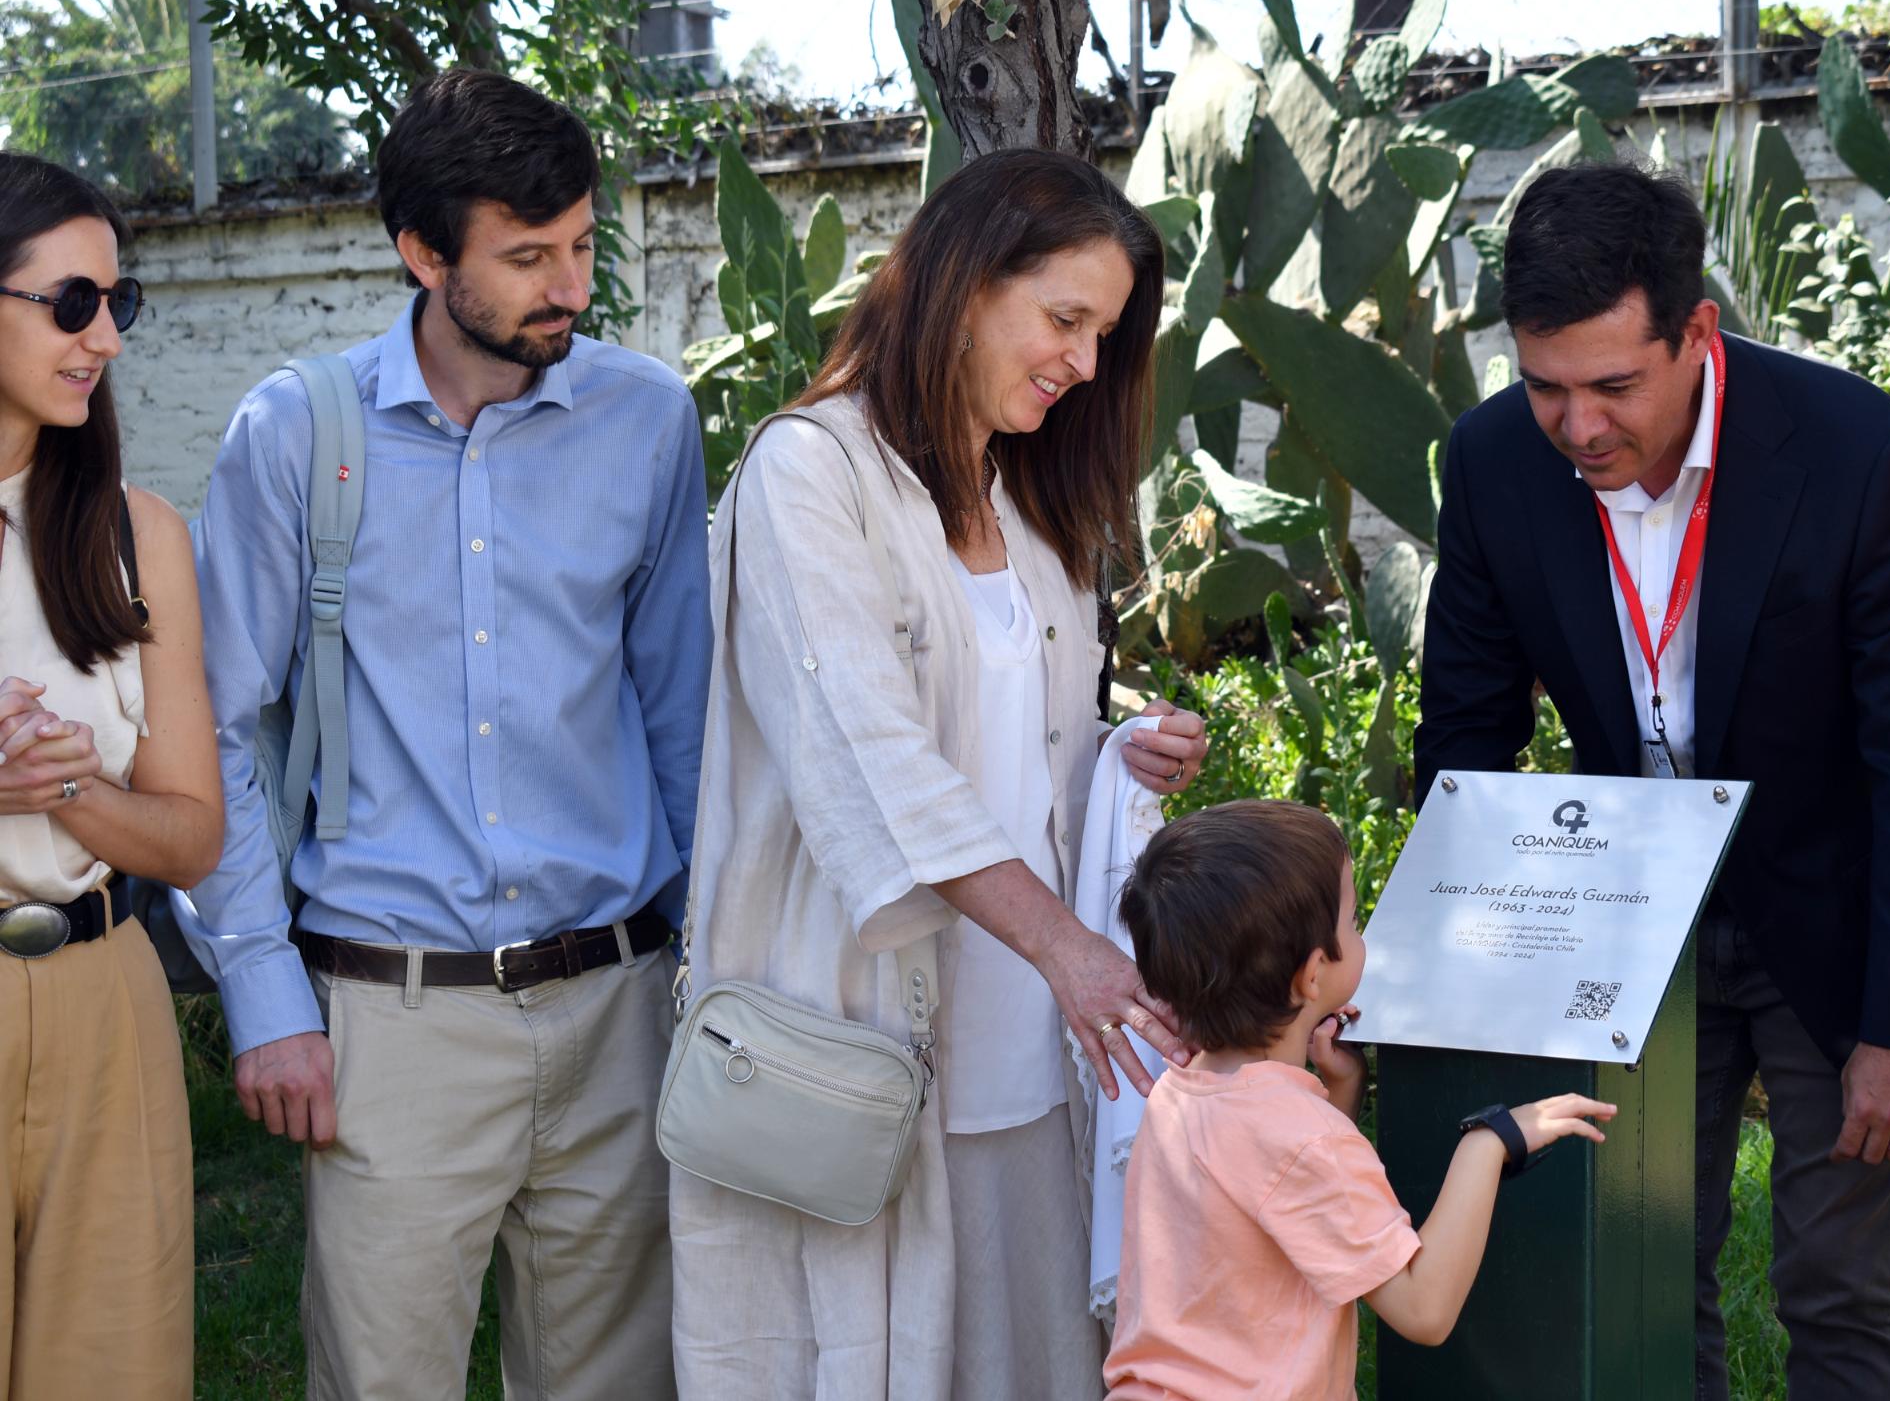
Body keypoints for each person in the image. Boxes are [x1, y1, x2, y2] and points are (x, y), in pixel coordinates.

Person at [1415, 160, 1890, 1399]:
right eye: (1544, 388)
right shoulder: (1487, 463)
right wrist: (1449, 980)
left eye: (1614, 387)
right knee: (1632, 1257)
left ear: (1697, 332)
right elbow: (1465, 740)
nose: (1578, 427)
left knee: (1835, 1282)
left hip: (1833, 908)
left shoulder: (1860, 457)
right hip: (1623, 920)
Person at [186, 70, 710, 1399]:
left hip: (618, 1002)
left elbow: (679, 709)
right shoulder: (297, 433)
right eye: (527, 256)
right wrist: (260, 992)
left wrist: (708, 952)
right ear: (423, 255)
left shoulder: (645, 421)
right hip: (388, 1024)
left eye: (583, 245)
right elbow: (219, 728)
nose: (570, 287)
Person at [672, 147, 1209, 1401]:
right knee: (865, 1355)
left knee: (1033, 1364)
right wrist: (1074, 955)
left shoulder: (1024, 504)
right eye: (1063, 320)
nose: (1083, 362)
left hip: (1029, 1043)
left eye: (1102, 334)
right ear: (965, 285)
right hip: (857, 1032)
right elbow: (872, 756)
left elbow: (1018, 753)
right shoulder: (808, 472)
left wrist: (1120, 760)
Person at [1102, 800, 1616, 1400]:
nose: (1360, 934)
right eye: (1352, 921)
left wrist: (1341, 1086)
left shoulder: (1181, 1091)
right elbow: (1424, 1309)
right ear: (1313, 975)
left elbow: (1283, 1201)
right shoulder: (1304, 1138)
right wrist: (1487, 1143)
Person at [0, 153, 224, 1398]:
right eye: (73, 304)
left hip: (106, 1002)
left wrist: (65, 785)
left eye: (116, 305)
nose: (107, 340)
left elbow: (194, 839)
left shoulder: (142, 537)